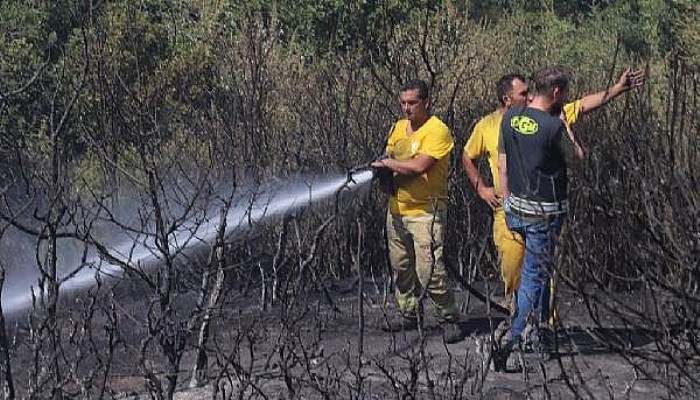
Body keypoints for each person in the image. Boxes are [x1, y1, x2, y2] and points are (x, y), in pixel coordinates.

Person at [462, 68, 645, 316]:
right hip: (508, 210)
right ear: (506, 99)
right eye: (523, 93)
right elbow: (468, 155)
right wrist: (481, 188)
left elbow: (581, 105)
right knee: (513, 268)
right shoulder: (489, 125)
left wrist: (616, 89)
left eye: (529, 92)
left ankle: (544, 325)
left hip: (543, 210)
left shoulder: (548, 116)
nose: (528, 97)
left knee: (543, 272)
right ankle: (518, 319)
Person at [495, 66, 584, 370]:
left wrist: (506, 205)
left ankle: (542, 329)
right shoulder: (553, 126)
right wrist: (566, 126)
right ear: (557, 93)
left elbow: (502, 166)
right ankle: (511, 339)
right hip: (543, 216)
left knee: (540, 273)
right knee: (533, 278)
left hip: (516, 209)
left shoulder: (509, 118)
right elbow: (577, 159)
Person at [371, 79, 464, 344]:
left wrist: (388, 163)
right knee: (401, 267)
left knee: (430, 271)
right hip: (397, 211)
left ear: (426, 103)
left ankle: (448, 318)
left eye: (412, 103)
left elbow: (420, 166)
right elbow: (389, 157)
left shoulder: (438, 131)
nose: (407, 108)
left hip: (426, 212)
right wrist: (381, 170)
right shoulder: (398, 128)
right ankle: (410, 314)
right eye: (403, 103)